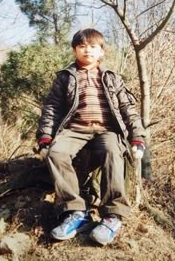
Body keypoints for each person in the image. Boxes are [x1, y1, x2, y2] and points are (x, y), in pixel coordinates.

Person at [36, 28, 146, 246]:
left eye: (93, 46)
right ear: (75, 50)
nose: (87, 50)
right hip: (75, 130)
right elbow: (52, 109)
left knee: (113, 152)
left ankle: (112, 215)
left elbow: (128, 109)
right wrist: (45, 138)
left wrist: (137, 138)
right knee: (56, 153)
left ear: (101, 52)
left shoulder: (111, 78)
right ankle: (75, 212)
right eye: (82, 46)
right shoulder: (65, 77)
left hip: (107, 130)